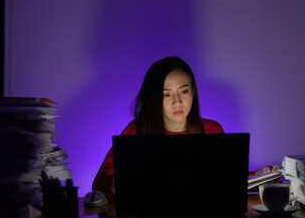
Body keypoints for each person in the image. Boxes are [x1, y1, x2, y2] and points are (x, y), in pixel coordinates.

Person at [92, 57, 276, 200]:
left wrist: (259, 176)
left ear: (193, 92)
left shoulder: (212, 128)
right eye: (166, 94)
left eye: (183, 91)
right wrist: (121, 184)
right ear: (153, 98)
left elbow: (224, 178)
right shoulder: (135, 131)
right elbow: (99, 184)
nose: (177, 102)